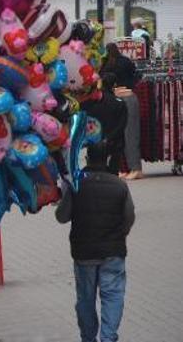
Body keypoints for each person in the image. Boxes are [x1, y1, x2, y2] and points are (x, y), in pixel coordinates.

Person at [55, 141, 135, 342]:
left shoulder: (77, 184)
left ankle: (88, 338)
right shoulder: (120, 185)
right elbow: (129, 217)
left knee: (85, 300)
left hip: (84, 253)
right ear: (107, 159)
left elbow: (62, 216)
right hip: (113, 252)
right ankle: (108, 338)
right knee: (113, 296)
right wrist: (120, 235)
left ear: (87, 158)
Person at [82, 73, 128, 176]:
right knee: (113, 171)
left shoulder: (91, 102)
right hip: (114, 142)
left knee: (94, 170)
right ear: (114, 85)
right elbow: (122, 125)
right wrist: (109, 137)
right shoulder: (119, 103)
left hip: (94, 141)